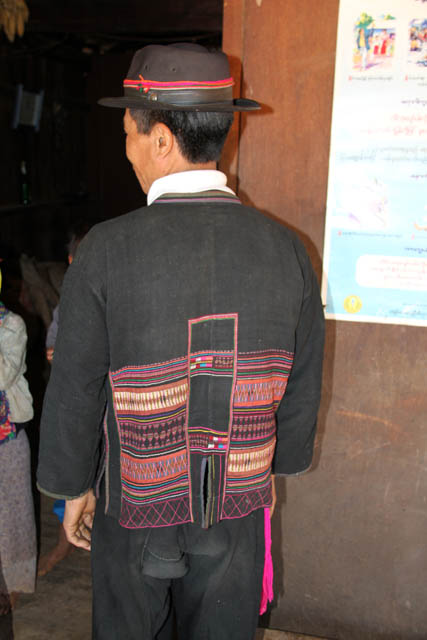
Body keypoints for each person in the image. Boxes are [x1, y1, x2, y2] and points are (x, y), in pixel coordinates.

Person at [37, 43, 325, 640]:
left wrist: (72, 486)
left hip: (134, 504)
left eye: (128, 134)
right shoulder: (287, 250)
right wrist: (275, 467)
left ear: (162, 140)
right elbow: (302, 379)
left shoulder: (106, 249)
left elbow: (76, 387)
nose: (127, 150)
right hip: (238, 499)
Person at [38, 224, 90, 577]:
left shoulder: (118, 294)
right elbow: (54, 340)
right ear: (71, 262)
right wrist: (55, 351)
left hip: (103, 401)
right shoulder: (68, 301)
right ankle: (63, 542)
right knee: (70, 473)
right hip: (73, 400)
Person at [0, 266, 36, 615]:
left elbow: (3, 375)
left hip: (6, 436)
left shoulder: (12, 325)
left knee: (13, 517)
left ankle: (12, 587)